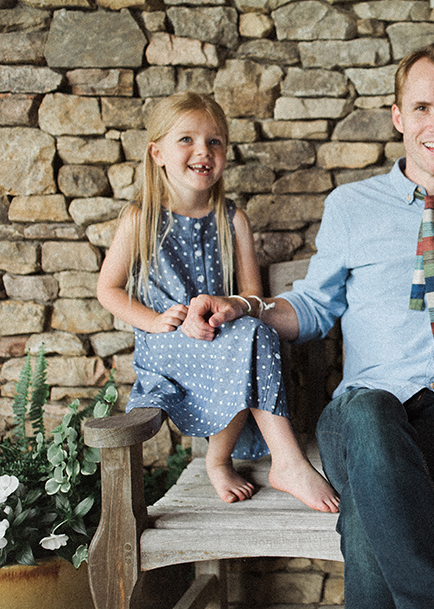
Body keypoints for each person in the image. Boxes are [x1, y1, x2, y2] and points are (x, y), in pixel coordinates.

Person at [179, 42, 434, 609]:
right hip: (360, 416)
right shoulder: (352, 206)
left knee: (374, 520)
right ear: (398, 117)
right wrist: (245, 307)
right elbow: (313, 309)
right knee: (372, 412)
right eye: (421, 108)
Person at [96, 92, 338, 512]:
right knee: (248, 337)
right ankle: (269, 460)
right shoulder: (142, 219)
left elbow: (251, 297)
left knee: (252, 330)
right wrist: (155, 321)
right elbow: (109, 290)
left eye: (215, 142)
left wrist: (229, 306)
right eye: (186, 139)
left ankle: (250, 459)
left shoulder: (232, 219)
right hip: (168, 341)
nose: (203, 151)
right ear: (157, 153)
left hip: (223, 335)